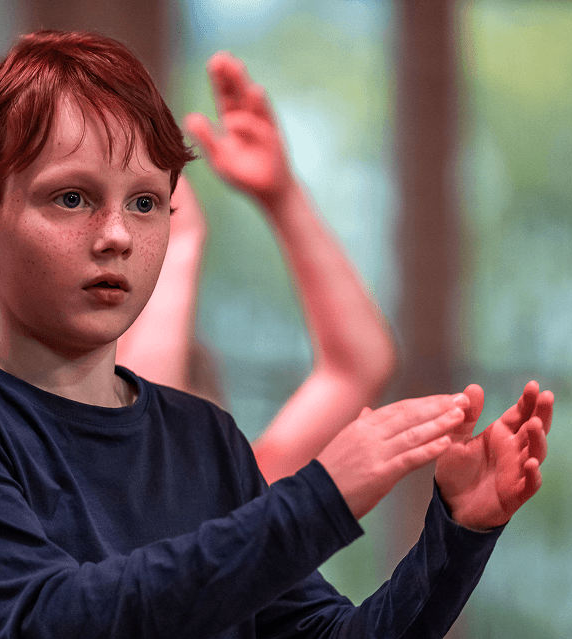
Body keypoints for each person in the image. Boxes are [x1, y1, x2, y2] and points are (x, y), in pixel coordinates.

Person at [0, 30, 553, 639]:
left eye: (146, 203)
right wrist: (322, 499)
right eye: (72, 197)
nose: (117, 235)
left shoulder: (206, 440)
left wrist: (456, 536)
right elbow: (54, 630)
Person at [115, 51, 397, 483]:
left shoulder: (239, 498)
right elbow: (135, 448)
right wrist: (180, 244)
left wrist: (283, 197)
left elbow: (357, 368)